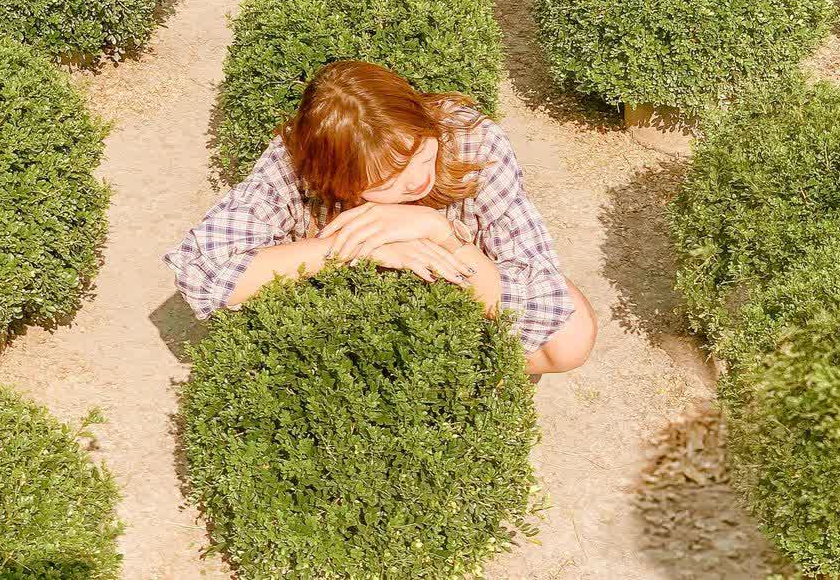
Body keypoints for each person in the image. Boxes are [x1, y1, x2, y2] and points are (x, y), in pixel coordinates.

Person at [166, 60, 596, 377]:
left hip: (462, 285)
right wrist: (351, 247)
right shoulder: (294, 165)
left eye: (421, 152)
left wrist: (439, 233)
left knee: (572, 340)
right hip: (340, 320)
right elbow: (203, 269)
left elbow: (548, 296)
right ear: (335, 179)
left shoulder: (471, 141)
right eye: (386, 181)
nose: (415, 182)